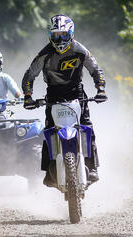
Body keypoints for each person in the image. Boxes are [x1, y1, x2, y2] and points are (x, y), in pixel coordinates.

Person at [21, 14, 107, 186]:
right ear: (50, 36)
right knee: (48, 132)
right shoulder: (44, 54)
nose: (60, 39)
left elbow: (96, 70)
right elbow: (30, 75)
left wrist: (101, 89)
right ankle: (48, 172)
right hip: (53, 95)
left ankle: (93, 167)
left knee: (87, 128)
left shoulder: (80, 50)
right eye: (56, 35)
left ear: (71, 33)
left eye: (63, 34)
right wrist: (28, 97)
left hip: (77, 93)